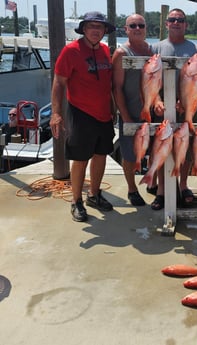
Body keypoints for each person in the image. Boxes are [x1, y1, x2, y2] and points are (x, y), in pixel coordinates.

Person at [50, 12, 116, 222]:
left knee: (101, 155)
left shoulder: (106, 50)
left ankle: (94, 195)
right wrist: (56, 113)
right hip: (81, 113)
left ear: (105, 31)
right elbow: (59, 82)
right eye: (91, 26)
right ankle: (76, 201)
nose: (96, 30)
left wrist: (113, 106)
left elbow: (108, 84)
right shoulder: (71, 51)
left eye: (100, 27)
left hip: (104, 114)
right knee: (80, 160)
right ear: (83, 29)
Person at [150, 8, 197, 210]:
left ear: (186, 24)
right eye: (172, 19)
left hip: (187, 106)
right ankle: (162, 190)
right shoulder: (156, 48)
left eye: (180, 19)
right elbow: (149, 80)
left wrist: (188, 103)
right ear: (166, 24)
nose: (176, 22)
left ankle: (183, 185)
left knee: (186, 148)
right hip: (161, 106)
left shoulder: (194, 49)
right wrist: (156, 100)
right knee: (162, 148)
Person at [112, 14, 151, 207]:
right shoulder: (122, 53)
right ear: (126, 29)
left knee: (154, 151)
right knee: (129, 155)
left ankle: (155, 184)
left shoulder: (152, 51)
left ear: (146, 28)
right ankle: (132, 189)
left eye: (141, 25)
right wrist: (126, 117)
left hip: (152, 113)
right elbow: (116, 88)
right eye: (133, 25)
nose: (137, 28)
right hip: (131, 112)